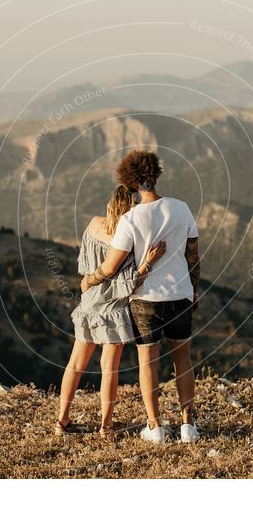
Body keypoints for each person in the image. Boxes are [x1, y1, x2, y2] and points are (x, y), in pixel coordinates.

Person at [81, 150, 201, 444]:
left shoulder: (131, 219)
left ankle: (154, 426)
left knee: (148, 362)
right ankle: (188, 426)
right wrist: (194, 290)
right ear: (155, 175)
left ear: (131, 182)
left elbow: (110, 267)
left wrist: (88, 280)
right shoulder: (182, 208)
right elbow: (193, 257)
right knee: (182, 360)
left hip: (145, 300)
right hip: (181, 296)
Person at [57, 185, 166, 437]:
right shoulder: (127, 237)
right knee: (109, 368)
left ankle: (61, 421)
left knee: (74, 364)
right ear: (129, 208)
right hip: (114, 309)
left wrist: (87, 284)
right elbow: (128, 282)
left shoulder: (94, 224)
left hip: (88, 304)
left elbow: (85, 265)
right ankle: (106, 426)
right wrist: (149, 262)